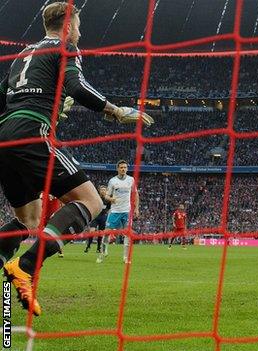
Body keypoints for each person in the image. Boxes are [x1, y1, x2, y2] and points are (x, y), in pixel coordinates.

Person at [0, 2, 152, 316]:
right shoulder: (65, 48)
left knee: (28, 219)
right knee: (92, 201)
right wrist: (115, 111)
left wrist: (48, 106)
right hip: (32, 131)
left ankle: (14, 262)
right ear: (68, 24)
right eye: (78, 25)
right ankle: (25, 267)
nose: (80, 32)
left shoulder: (23, 55)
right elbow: (77, 86)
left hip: (5, 135)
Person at [97, 160, 139, 264]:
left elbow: (136, 194)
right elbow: (106, 196)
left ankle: (125, 257)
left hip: (127, 211)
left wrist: (137, 208)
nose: (123, 169)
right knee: (106, 233)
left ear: (127, 169)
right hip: (115, 211)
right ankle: (102, 254)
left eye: (125, 167)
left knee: (127, 234)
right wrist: (112, 199)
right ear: (117, 169)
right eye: (121, 167)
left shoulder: (131, 180)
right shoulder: (112, 181)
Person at [85, 185, 109, 253]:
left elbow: (109, 208)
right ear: (99, 190)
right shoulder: (96, 198)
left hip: (103, 217)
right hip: (95, 216)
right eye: (102, 189)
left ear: (106, 191)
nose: (103, 191)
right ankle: (88, 246)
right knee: (92, 231)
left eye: (104, 190)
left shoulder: (108, 199)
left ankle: (98, 248)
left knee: (100, 233)